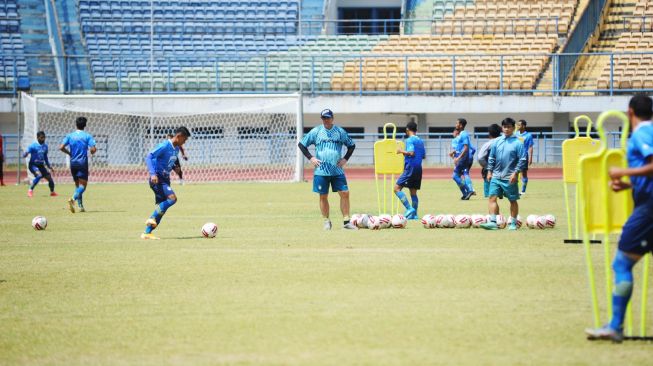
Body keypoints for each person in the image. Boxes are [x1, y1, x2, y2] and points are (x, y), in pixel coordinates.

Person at [585, 94, 653, 342]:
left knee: (622, 264)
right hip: (646, 201)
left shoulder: (643, 134)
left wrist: (623, 170)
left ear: (630, 112)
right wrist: (628, 185)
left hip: (648, 209)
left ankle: (615, 326)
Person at [298, 109, 357, 230]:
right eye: (324, 118)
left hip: (337, 170)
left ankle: (346, 222)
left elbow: (351, 145)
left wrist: (345, 159)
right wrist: (311, 158)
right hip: (321, 171)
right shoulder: (316, 131)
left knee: (345, 193)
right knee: (323, 196)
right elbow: (302, 144)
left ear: (332, 118)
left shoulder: (340, 131)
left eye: (328, 118)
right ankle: (326, 221)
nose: (326, 120)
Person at [142, 126, 191, 240]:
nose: (185, 142)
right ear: (179, 136)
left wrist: (175, 168)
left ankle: (147, 233)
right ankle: (151, 217)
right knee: (172, 198)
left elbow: (169, 161)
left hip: (165, 179)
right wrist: (152, 174)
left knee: (161, 209)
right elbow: (149, 157)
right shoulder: (164, 145)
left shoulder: (176, 149)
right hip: (157, 179)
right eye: (185, 139)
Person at [480, 118, 527, 231]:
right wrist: (490, 171)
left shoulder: (518, 142)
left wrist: (515, 173)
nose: (506, 129)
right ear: (502, 128)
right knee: (492, 198)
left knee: (512, 200)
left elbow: (522, 159)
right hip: (496, 175)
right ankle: (492, 222)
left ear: (513, 128)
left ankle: (513, 224)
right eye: (504, 127)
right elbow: (491, 158)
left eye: (509, 127)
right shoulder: (497, 141)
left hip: (509, 177)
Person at [60, 116, 96, 213]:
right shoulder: (87, 136)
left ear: (76, 124)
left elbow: (61, 147)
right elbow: (93, 149)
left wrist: (69, 153)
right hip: (82, 162)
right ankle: (73, 199)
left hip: (73, 163)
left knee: (77, 186)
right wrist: (93, 151)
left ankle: (80, 206)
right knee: (83, 186)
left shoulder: (70, 136)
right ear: (85, 125)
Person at [394, 121, 426, 220]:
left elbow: (411, 153)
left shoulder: (409, 140)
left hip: (410, 167)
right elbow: (423, 156)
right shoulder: (420, 141)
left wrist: (401, 151)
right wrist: (407, 154)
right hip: (418, 168)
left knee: (396, 189)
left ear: (407, 129)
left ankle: (409, 209)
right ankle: (414, 215)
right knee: (413, 193)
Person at [24, 131, 57, 197]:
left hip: (41, 166)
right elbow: (25, 153)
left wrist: (49, 166)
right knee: (39, 175)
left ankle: (52, 192)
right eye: (41, 138)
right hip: (33, 165)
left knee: (49, 178)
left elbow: (45, 158)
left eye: (44, 137)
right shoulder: (33, 146)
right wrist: (25, 154)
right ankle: (30, 191)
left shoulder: (45, 146)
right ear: (38, 138)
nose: (43, 139)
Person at [452, 118, 475, 200]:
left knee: (455, 176)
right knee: (458, 176)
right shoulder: (461, 134)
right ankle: (465, 194)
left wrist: (458, 158)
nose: (456, 125)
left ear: (461, 125)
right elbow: (462, 147)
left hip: (463, 159)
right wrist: (454, 152)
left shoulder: (464, 134)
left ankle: (469, 190)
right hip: (463, 158)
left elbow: (466, 148)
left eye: (457, 123)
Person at [477, 124, 502, 198]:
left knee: (488, 192)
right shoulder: (504, 143)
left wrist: (487, 166)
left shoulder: (487, 144)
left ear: (489, 134)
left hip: (489, 170)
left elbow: (480, 157)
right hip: (502, 169)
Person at [516, 119, 534, 195]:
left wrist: (530, 158)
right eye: (518, 125)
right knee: (514, 173)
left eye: (519, 125)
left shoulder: (528, 135)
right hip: (515, 156)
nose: (518, 126)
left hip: (524, 156)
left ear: (523, 126)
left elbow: (530, 147)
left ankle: (523, 191)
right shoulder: (515, 134)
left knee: (524, 174)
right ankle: (515, 190)